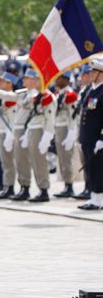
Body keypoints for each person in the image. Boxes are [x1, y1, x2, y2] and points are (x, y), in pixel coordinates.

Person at [19, 72, 56, 202]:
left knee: (40, 162)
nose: (36, 82)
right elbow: (33, 115)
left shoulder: (48, 97)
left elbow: (50, 118)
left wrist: (47, 136)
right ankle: (41, 188)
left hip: (41, 131)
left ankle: (44, 189)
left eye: (37, 80)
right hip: (33, 130)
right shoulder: (38, 96)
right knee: (35, 161)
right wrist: (27, 133)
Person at [77, 58, 103, 210]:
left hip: (97, 138)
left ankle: (99, 200)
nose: (91, 74)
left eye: (94, 71)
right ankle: (94, 198)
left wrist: (102, 139)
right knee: (90, 169)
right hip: (88, 138)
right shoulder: (92, 90)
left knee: (98, 169)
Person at [52, 72, 78, 198]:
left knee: (66, 158)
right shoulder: (59, 94)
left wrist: (71, 133)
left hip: (66, 128)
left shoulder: (70, 95)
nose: (56, 81)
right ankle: (66, 185)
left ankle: (69, 185)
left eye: (59, 78)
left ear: (65, 80)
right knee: (62, 159)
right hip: (59, 127)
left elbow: (73, 115)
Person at [74, 64, 93, 200]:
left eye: (84, 75)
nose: (81, 78)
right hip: (82, 130)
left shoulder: (93, 91)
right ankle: (87, 187)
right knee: (84, 161)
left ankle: (92, 189)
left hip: (91, 132)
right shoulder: (83, 91)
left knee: (91, 163)